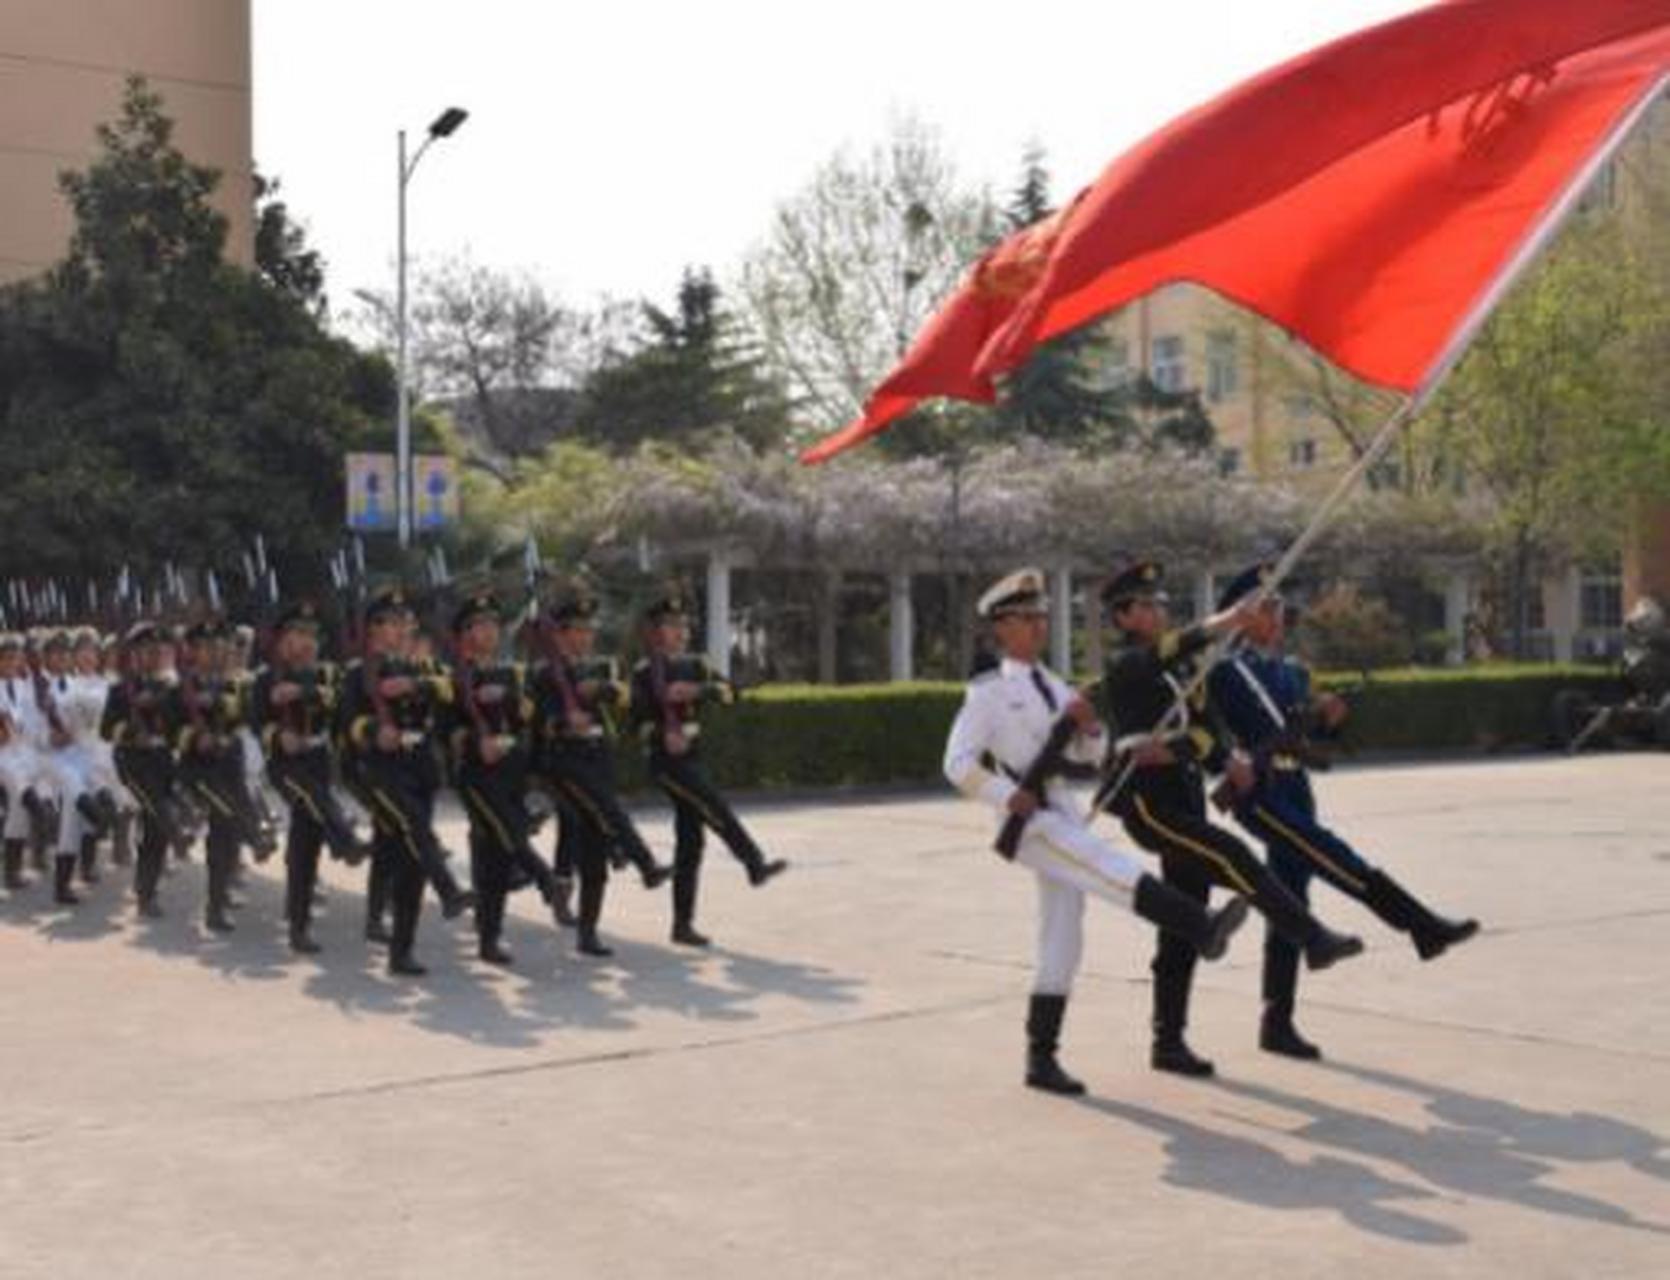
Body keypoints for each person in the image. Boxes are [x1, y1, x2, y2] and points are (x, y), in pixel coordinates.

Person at [944, 567, 1250, 1096]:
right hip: (1030, 817)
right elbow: (956, 762)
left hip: (1060, 804)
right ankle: (1199, 925)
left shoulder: (1056, 685)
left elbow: (1089, 752)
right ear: (1001, 627)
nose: (1039, 626)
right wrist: (1001, 794)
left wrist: (1088, 728)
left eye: (1041, 616)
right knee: (1108, 868)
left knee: (1063, 935)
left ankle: (1041, 1057)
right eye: (1026, 618)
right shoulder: (988, 693)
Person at [1097, 559, 1363, 1078]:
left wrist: (1217, 757)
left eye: (1160, 604)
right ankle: (1312, 937)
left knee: (1182, 919)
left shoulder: (1180, 673)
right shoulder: (1128, 665)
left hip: (1185, 796)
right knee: (1232, 853)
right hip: (1151, 806)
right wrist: (1228, 621)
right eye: (1147, 606)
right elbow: (1170, 655)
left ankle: (1167, 1041)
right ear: (1123, 616)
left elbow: (1205, 734)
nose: (1157, 613)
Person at [1207, 563, 1480, 1059]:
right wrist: (1230, 760)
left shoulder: (1292, 671)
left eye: (1280, 606)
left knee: (1291, 901)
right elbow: (1216, 728)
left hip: (1295, 783)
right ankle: (1419, 924)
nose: (1279, 615)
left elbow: (1307, 735)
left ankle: (1277, 1021)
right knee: (1333, 857)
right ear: (1243, 616)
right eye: (1267, 607)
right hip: (1260, 791)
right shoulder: (1226, 671)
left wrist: (1328, 721)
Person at [629, 591, 786, 948]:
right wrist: (660, 733)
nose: (679, 631)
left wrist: (697, 691)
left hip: (693, 755)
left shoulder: (695, 665)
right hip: (666, 761)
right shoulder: (643, 673)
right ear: (654, 632)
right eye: (670, 626)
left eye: (681, 625)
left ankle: (682, 925)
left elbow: (731, 693)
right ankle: (753, 862)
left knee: (691, 842)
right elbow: (633, 723)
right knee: (713, 804)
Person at [336, 588, 475, 977]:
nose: (402, 630)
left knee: (408, 858)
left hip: (419, 766)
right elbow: (347, 722)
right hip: (381, 769)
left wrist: (413, 686)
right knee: (415, 825)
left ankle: (402, 951)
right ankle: (448, 888)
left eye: (406, 623)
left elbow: (449, 689)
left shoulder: (418, 667)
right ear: (375, 629)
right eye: (395, 623)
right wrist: (373, 730)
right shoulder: (356, 672)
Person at [531, 586, 671, 958]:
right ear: (559, 635)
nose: (585, 637)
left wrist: (603, 689)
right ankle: (645, 862)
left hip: (597, 758)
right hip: (564, 763)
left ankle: (588, 932)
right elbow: (535, 722)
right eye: (577, 631)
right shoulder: (544, 673)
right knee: (609, 811)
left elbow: (631, 698)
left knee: (593, 847)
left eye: (588, 630)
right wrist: (563, 721)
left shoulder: (600, 668)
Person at [447, 591, 562, 967]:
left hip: (511, 769)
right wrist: (473, 742)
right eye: (481, 625)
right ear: (465, 632)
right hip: (477, 774)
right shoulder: (453, 675)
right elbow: (443, 726)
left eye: (494, 625)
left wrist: (507, 697)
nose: (490, 631)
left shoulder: (511, 672)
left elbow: (530, 712)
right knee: (507, 829)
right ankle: (547, 880)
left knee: (493, 857)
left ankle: (489, 939)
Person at [250, 601, 371, 955]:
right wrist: (278, 735)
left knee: (305, 843)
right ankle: (346, 839)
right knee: (312, 798)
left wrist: (303, 692)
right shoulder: (265, 678)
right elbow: (257, 722)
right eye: (298, 634)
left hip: (318, 758)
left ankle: (298, 923)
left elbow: (341, 703)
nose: (307, 642)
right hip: (285, 766)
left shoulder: (326, 675)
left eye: (312, 635)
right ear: (282, 640)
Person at [173, 619, 277, 934]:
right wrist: (193, 738)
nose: (213, 651)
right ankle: (215, 906)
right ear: (192, 651)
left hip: (231, 765)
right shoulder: (183, 686)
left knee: (225, 835)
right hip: (199, 769)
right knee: (227, 818)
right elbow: (169, 729)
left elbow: (252, 717)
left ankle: (219, 898)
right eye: (205, 646)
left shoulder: (239, 683)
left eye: (218, 645)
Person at [100, 623, 186, 918]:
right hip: (132, 762)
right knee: (159, 812)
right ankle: (178, 837)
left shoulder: (174, 689)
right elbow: (106, 730)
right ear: (136, 654)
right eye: (149, 651)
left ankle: (146, 890)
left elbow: (180, 729)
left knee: (154, 829)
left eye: (161, 651)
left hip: (162, 760)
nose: (157, 656)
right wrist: (131, 732)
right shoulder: (120, 689)